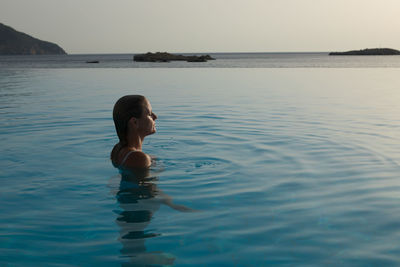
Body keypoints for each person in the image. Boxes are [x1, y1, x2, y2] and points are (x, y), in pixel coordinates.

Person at [111, 95, 158, 169]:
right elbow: (145, 180)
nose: (155, 117)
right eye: (149, 114)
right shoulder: (140, 159)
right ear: (135, 122)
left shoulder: (118, 149)